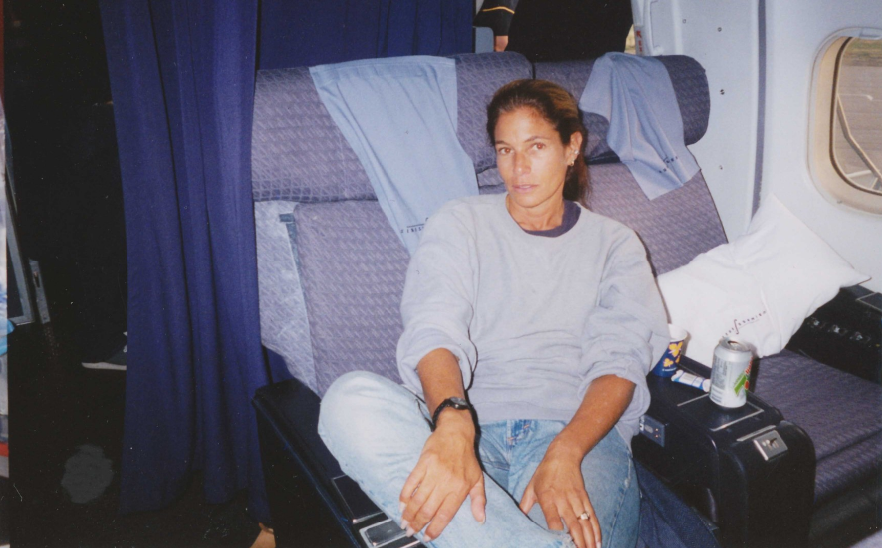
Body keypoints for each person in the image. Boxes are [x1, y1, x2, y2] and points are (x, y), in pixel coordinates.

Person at [319, 79, 668, 548]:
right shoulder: (460, 223)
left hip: (574, 435)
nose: (517, 168)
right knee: (349, 401)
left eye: (536, 146)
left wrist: (565, 452)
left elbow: (620, 360)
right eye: (505, 150)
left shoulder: (615, 243)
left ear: (572, 147)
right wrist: (454, 418)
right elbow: (433, 326)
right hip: (457, 427)